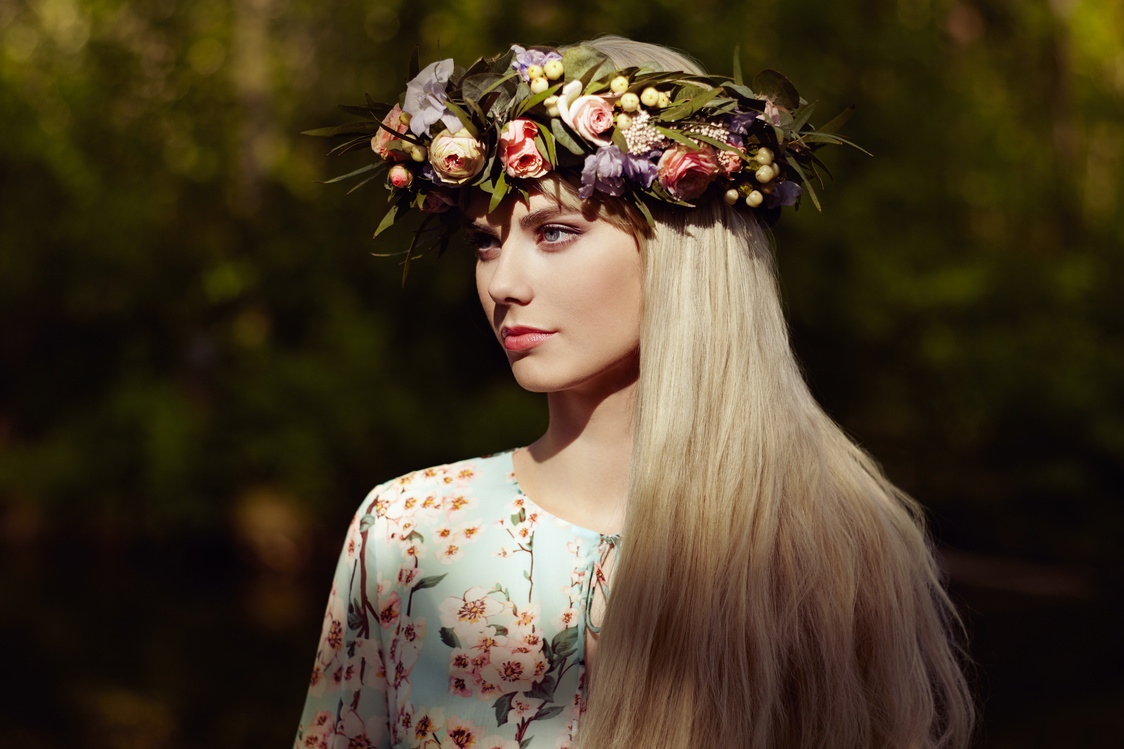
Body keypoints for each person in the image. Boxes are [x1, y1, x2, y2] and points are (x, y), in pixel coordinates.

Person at [295, 36, 975, 749]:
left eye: (554, 232)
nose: (502, 283)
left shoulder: (837, 545)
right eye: (485, 243)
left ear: (680, 247)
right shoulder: (410, 528)